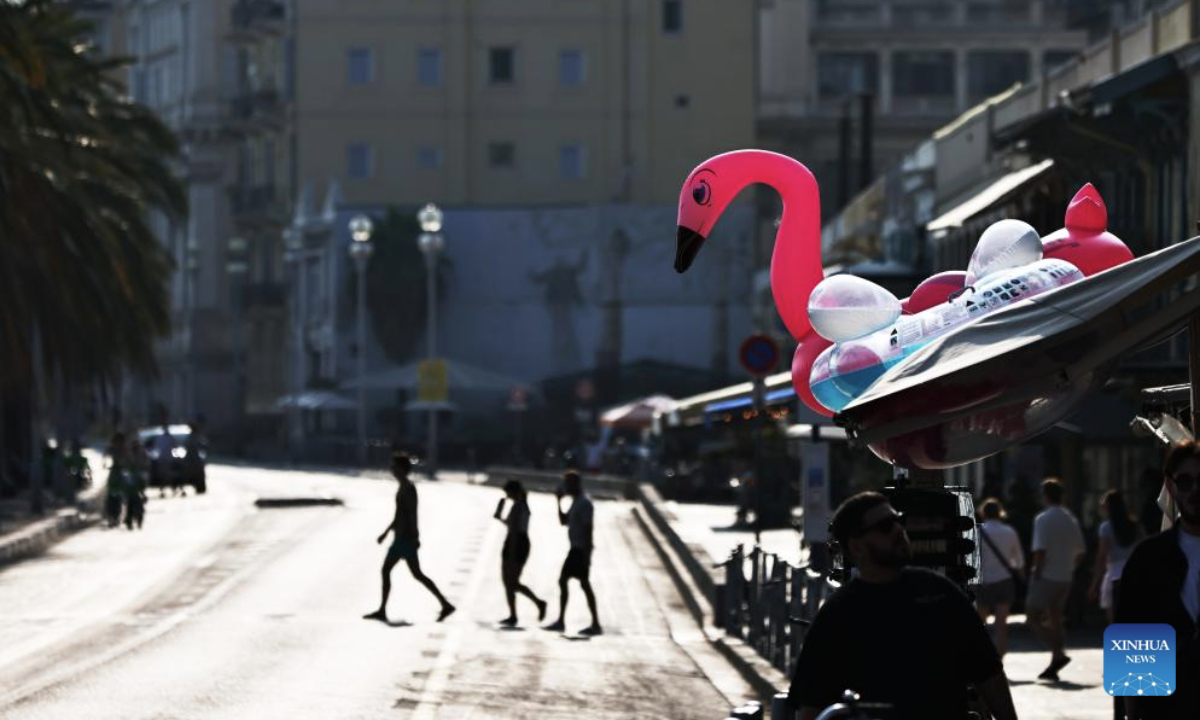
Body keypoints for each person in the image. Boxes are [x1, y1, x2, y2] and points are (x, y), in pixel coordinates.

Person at [786, 492, 1019, 720]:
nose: (898, 530)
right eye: (885, 526)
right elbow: (812, 703)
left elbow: (989, 674)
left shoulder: (940, 593)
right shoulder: (838, 614)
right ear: (856, 547)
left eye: (898, 521)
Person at [1116, 440, 1200, 720]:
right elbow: (1133, 636)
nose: (1195, 490)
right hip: (1168, 707)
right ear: (1171, 485)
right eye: (1186, 481)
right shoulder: (1149, 558)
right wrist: (1132, 712)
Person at [363, 452, 455, 623]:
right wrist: (386, 532)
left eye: (394, 467)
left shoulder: (408, 489)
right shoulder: (402, 487)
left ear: (402, 469)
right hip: (401, 537)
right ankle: (444, 604)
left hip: (405, 539)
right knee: (412, 573)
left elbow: (412, 514)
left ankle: (444, 604)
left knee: (406, 573)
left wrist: (415, 536)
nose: (392, 470)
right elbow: (399, 515)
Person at [1026, 477, 1085, 682]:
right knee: (1055, 617)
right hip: (1065, 576)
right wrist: (1070, 566)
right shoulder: (1071, 519)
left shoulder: (1042, 519)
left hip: (1047, 575)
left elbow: (1040, 550)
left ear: (1045, 496)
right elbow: (1080, 552)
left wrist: (1037, 573)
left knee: (1032, 616)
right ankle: (1055, 659)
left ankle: (1057, 651)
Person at [544, 470, 601, 635]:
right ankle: (573, 621)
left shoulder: (584, 503)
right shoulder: (576, 502)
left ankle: (589, 623)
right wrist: (558, 501)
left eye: (567, 484)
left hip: (580, 549)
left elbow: (588, 529)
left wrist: (587, 555)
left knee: (573, 582)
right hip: (575, 548)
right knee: (577, 583)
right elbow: (563, 521)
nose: (565, 487)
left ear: (575, 484)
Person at [493, 479, 548, 626]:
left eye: (508, 492)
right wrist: (499, 515)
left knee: (512, 581)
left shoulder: (519, 506)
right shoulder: (521, 505)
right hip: (514, 541)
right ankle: (513, 614)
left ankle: (537, 603)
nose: (507, 495)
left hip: (516, 543)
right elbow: (511, 525)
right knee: (509, 582)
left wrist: (511, 553)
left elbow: (516, 529)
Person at [976, 497, 1025, 658]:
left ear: (983, 513)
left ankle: (981, 655)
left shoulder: (978, 532)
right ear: (1000, 513)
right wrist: (1022, 579)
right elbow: (1018, 561)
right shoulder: (1009, 531)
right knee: (1001, 625)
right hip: (1004, 581)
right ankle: (999, 658)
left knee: (979, 624)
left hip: (983, 582)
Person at [1088, 490, 1138, 625]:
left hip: (1114, 575)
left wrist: (1094, 585)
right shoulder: (1135, 526)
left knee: (1114, 619)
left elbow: (1101, 557)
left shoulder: (1106, 528)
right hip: (1135, 573)